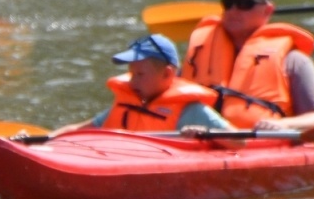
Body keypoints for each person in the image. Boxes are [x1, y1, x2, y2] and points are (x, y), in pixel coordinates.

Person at [183, 0, 314, 131]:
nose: (233, 10)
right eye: (228, 3)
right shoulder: (200, 52)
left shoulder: (294, 61)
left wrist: (284, 124)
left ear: (267, 10)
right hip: (199, 141)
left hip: (262, 145)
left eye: (245, 4)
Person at [55, 34, 232, 134]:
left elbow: (239, 140)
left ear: (167, 74)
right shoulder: (129, 101)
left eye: (140, 74)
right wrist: (46, 138)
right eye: (131, 73)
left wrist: (207, 134)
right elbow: (80, 129)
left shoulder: (191, 112)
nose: (133, 81)